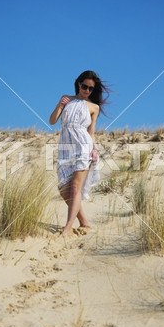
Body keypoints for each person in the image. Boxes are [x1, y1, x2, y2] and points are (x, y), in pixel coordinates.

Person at [49, 70, 109, 236]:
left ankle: (67, 228)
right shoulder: (67, 99)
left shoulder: (94, 107)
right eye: (85, 86)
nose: (87, 90)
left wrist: (95, 149)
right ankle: (84, 222)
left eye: (91, 88)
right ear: (78, 84)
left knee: (75, 187)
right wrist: (60, 105)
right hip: (65, 148)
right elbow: (52, 121)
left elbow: (91, 133)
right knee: (64, 190)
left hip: (83, 147)